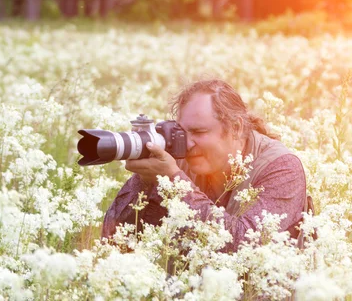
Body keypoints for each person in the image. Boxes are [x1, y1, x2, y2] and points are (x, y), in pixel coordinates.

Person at [101, 79, 308, 252]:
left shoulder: (281, 167)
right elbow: (112, 235)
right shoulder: (177, 159)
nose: (188, 144)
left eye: (199, 132)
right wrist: (145, 181)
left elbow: (246, 246)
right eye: (182, 132)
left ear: (236, 127)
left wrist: (174, 181)